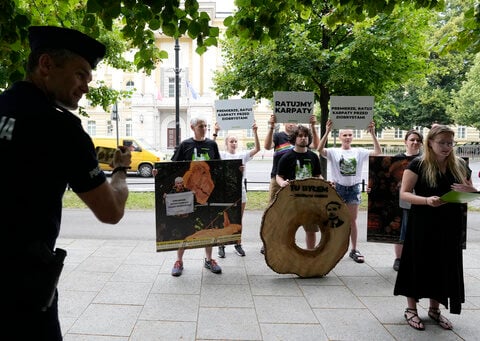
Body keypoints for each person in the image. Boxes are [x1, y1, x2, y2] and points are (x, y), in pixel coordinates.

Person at [0, 26, 132, 341]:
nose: (86, 86)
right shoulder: (63, 131)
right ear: (46, 65)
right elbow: (111, 212)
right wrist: (120, 173)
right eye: (80, 75)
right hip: (21, 290)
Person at [394, 124, 476, 331]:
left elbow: (471, 194)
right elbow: (404, 194)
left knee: (442, 265)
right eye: (442, 142)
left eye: (450, 143)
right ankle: (411, 309)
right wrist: (426, 200)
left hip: (450, 224)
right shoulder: (417, 164)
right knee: (417, 262)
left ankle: (434, 309)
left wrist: (471, 190)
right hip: (422, 222)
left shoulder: (459, 165)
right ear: (430, 142)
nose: (447, 147)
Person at [318, 119, 381, 263]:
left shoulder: (358, 151)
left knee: (352, 221)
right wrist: (327, 131)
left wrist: (372, 133)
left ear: (353, 137)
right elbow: (320, 149)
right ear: (340, 137)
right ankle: (332, 247)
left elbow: (378, 152)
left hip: (353, 189)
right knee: (335, 220)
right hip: (338, 188)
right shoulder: (334, 152)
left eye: (349, 135)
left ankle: (354, 249)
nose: (347, 137)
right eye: (344, 135)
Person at [170, 117, 222, 276]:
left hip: (205, 196)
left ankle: (209, 259)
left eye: (206, 126)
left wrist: (237, 170)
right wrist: (159, 173)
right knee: (185, 227)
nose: (204, 128)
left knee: (208, 226)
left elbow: (219, 166)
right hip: (187, 196)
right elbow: (173, 166)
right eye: (201, 126)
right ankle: (179, 261)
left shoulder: (212, 144)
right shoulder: (185, 145)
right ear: (193, 127)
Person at [261, 114, 319, 253]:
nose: (291, 123)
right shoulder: (279, 136)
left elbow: (315, 145)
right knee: (273, 211)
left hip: (301, 183)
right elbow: (267, 146)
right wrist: (271, 126)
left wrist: (313, 126)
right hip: (279, 179)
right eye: (288, 120)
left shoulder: (303, 137)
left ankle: (307, 250)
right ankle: (268, 241)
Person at [214, 122, 260, 257]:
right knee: (224, 220)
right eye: (231, 141)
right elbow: (211, 148)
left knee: (238, 220)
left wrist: (255, 132)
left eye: (235, 141)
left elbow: (257, 148)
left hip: (239, 191)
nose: (234, 143)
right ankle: (221, 245)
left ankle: (237, 244)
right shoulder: (222, 155)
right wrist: (215, 132)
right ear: (226, 143)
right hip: (225, 192)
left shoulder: (243, 155)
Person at [276, 125, 323, 249]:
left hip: (310, 200)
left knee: (311, 230)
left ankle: (311, 255)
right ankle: (289, 256)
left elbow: (318, 176)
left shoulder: (314, 156)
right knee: (288, 230)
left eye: (306, 136)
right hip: (292, 200)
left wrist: (325, 184)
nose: (303, 138)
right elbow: (278, 176)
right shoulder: (286, 157)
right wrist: (282, 183)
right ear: (294, 138)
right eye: (300, 136)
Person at [392, 129, 423, 271]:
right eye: (412, 139)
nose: (415, 142)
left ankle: (416, 258)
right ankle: (399, 259)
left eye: (418, 140)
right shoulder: (397, 159)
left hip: (421, 201)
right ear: (405, 142)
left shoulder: (425, 159)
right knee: (401, 231)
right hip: (402, 201)